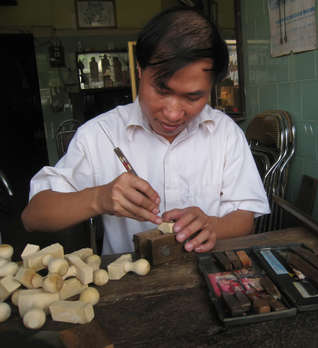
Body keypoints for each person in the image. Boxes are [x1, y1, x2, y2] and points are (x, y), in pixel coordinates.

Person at [21, 7, 270, 255]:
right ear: (139, 71)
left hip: (211, 276)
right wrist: (99, 198)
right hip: (130, 285)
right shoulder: (99, 134)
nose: (173, 113)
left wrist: (212, 226)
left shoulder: (225, 133)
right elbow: (34, 216)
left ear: (211, 87)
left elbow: (245, 219)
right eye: (162, 91)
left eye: (193, 97)